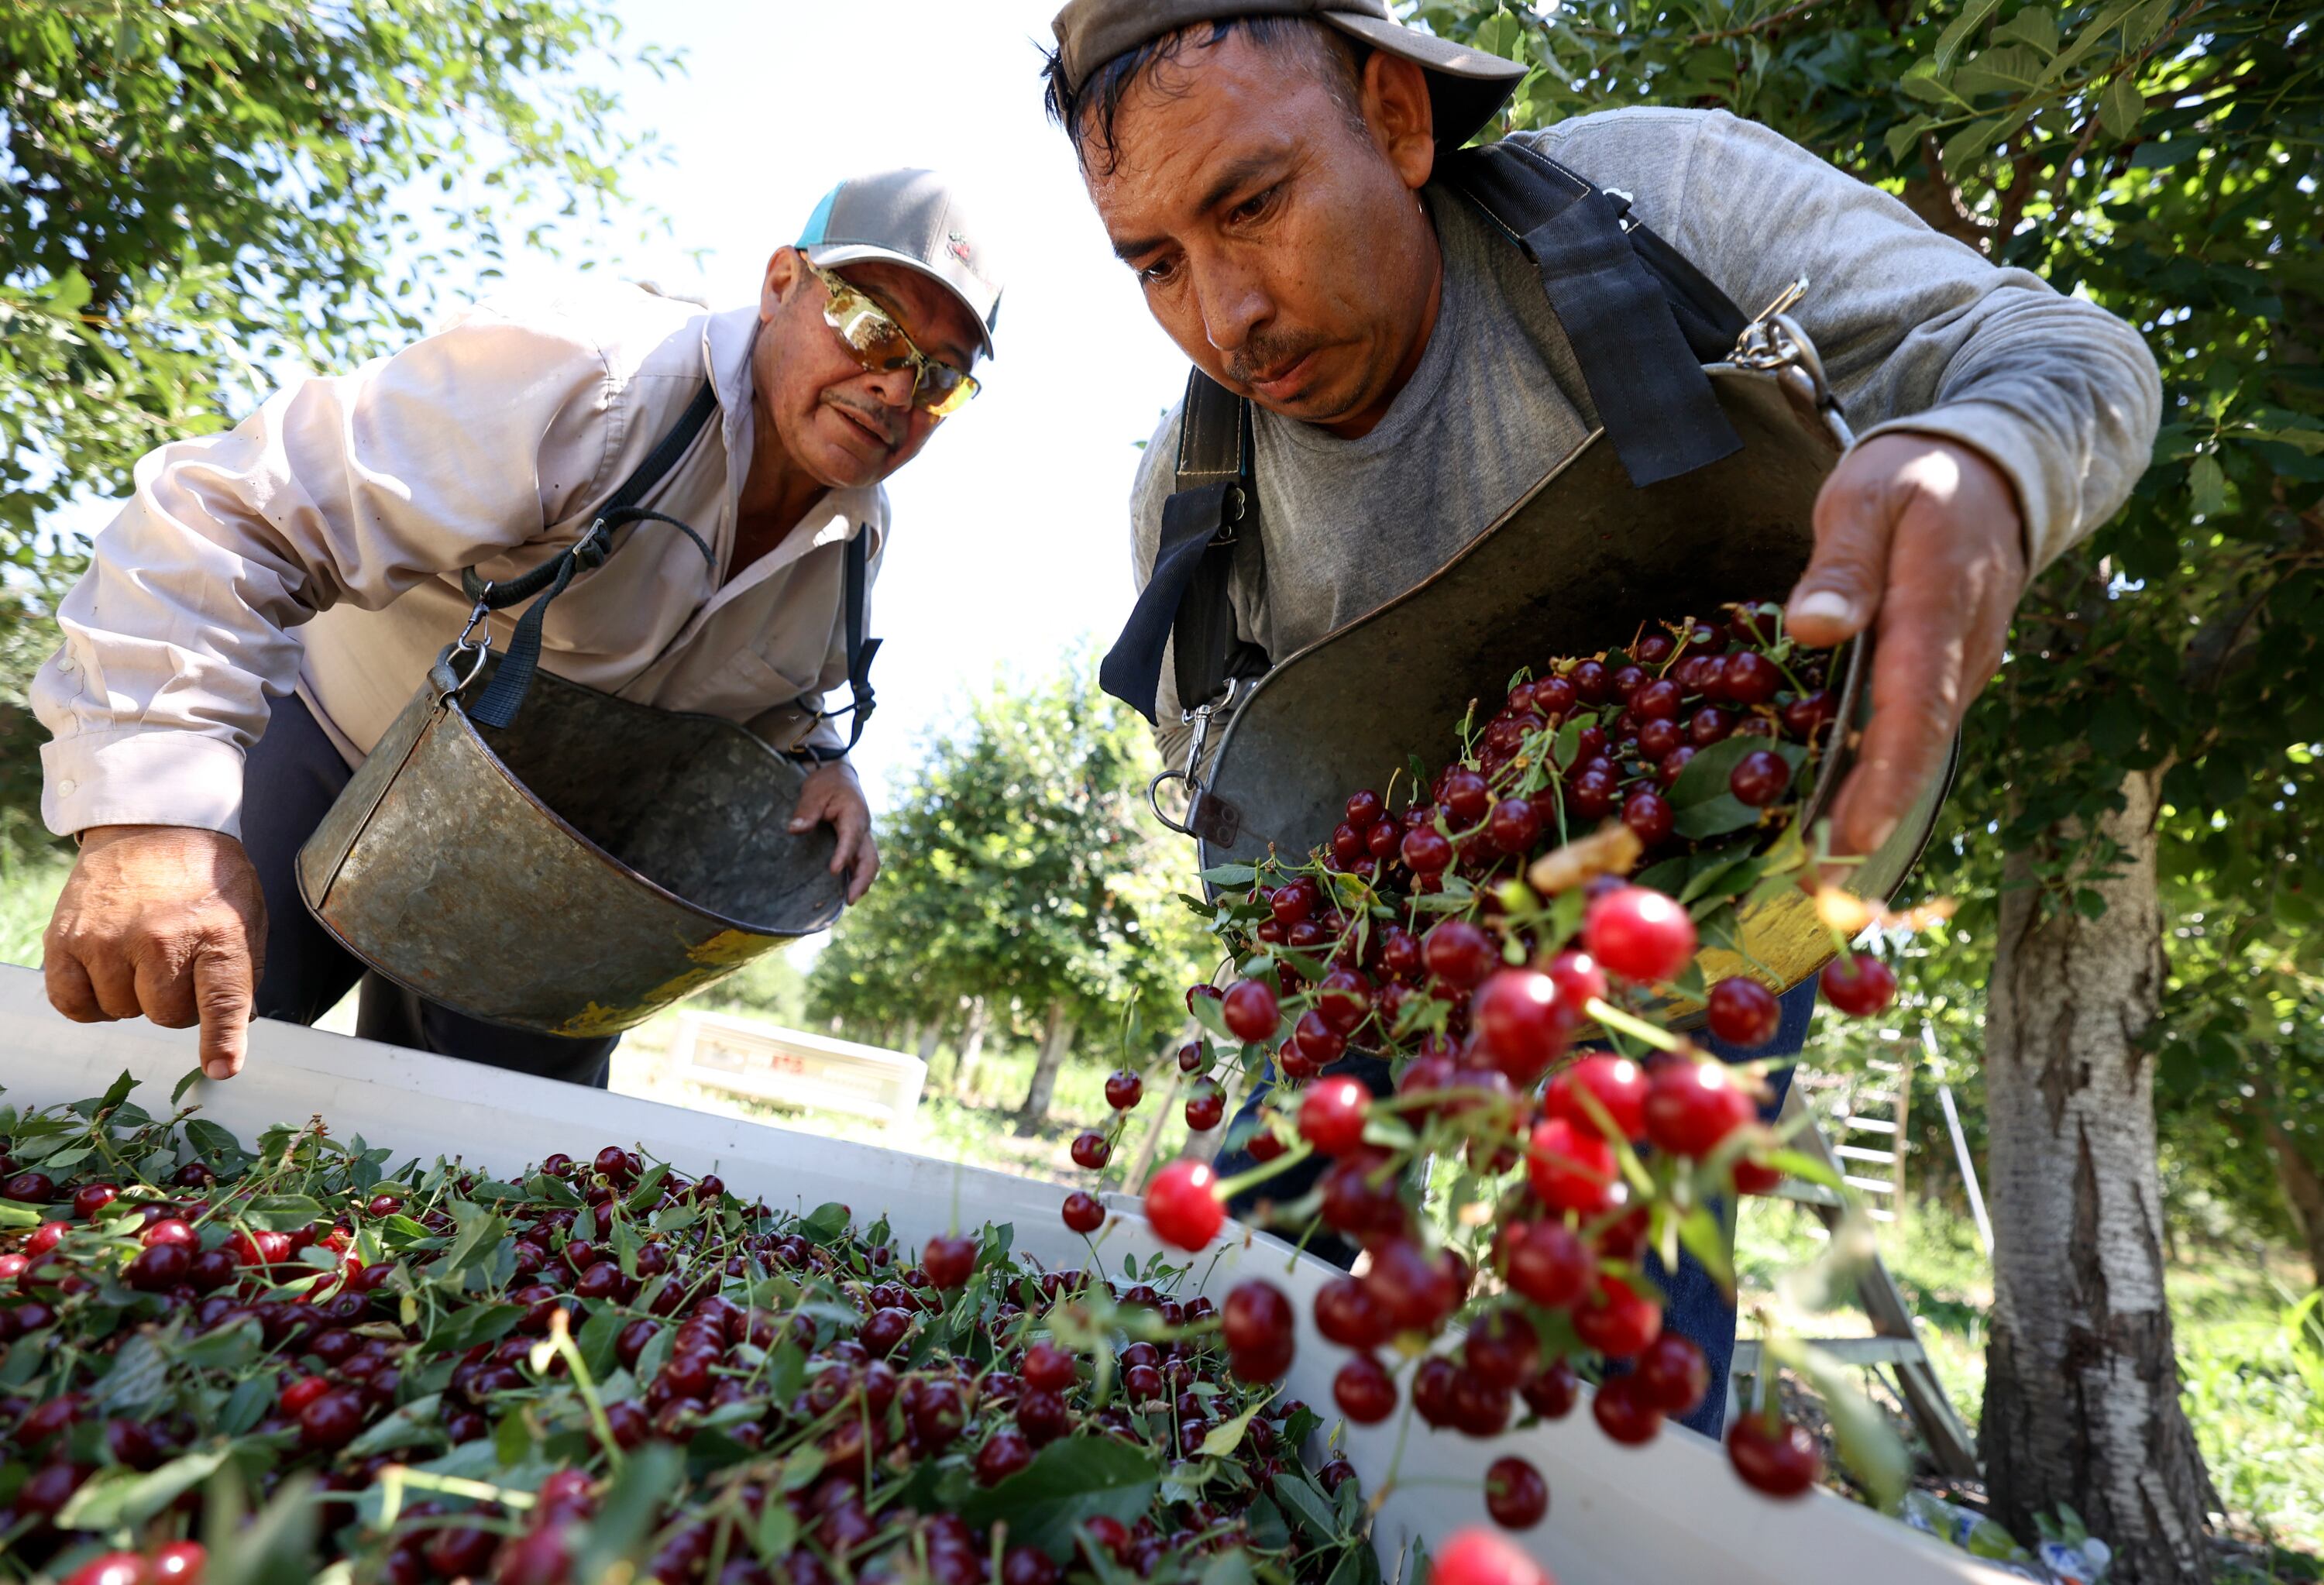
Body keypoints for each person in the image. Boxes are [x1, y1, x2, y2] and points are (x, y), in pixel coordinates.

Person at [1040, 0, 2159, 1434]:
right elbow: (1264, 851)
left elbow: (2057, 348)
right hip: (1395, 932)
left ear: (1396, 117)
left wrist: (1986, 457)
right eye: (1155, 264)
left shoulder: (1655, 202)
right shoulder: (1195, 506)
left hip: (1703, 884)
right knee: (1254, 1265)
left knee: (1621, 1312)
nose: (1226, 316)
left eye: (1252, 204)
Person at [34, 167, 1003, 1091]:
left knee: (495, 1192)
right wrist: (150, 821)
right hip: (340, 751)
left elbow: (773, 691)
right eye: (871, 328)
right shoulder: (591, 380)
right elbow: (235, 516)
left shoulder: (855, 542)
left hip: (544, 873)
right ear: (782, 283)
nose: (894, 388)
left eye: (941, 378)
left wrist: (821, 761)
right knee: (150, 1078)